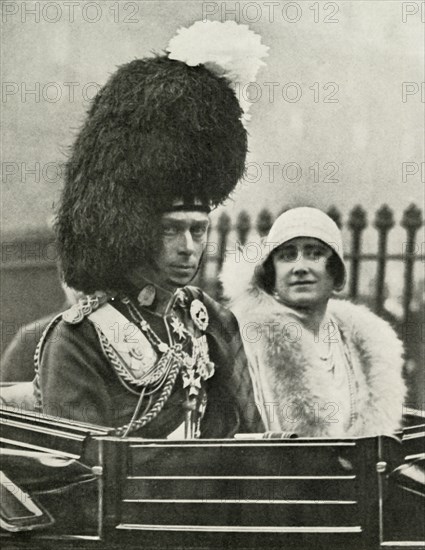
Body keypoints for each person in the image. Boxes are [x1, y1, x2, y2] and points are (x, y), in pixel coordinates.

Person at [32, 21, 268, 439]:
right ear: (133, 227)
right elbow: (78, 476)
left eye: (199, 230)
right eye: (172, 231)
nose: (189, 248)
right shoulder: (79, 338)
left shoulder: (210, 319)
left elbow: (250, 434)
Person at [222, 207, 407, 437]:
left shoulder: (362, 344)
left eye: (314, 253)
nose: (300, 267)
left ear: (336, 274)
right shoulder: (248, 341)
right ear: (271, 274)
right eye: (287, 255)